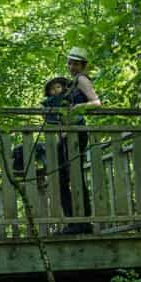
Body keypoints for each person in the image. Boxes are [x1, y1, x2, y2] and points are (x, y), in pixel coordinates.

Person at [58, 47, 101, 234]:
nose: (71, 67)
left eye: (76, 63)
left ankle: (81, 222)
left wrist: (77, 107)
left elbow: (96, 103)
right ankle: (74, 221)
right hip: (69, 134)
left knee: (72, 175)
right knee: (63, 177)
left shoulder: (82, 80)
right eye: (70, 63)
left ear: (83, 66)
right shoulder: (71, 83)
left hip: (77, 133)